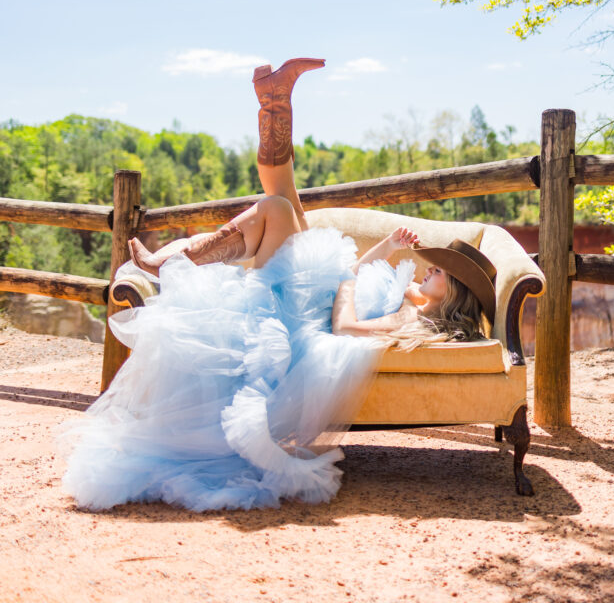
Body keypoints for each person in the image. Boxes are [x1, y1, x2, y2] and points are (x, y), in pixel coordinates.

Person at [60, 58, 493, 512]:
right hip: (315, 290)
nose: (429, 269)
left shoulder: (410, 317)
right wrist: (382, 248)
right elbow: (358, 277)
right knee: (282, 198)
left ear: (456, 292)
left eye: (439, 271)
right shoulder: (410, 293)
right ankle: (275, 99)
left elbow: (344, 327)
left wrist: (346, 275)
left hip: (298, 314)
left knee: (277, 206)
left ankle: (173, 263)